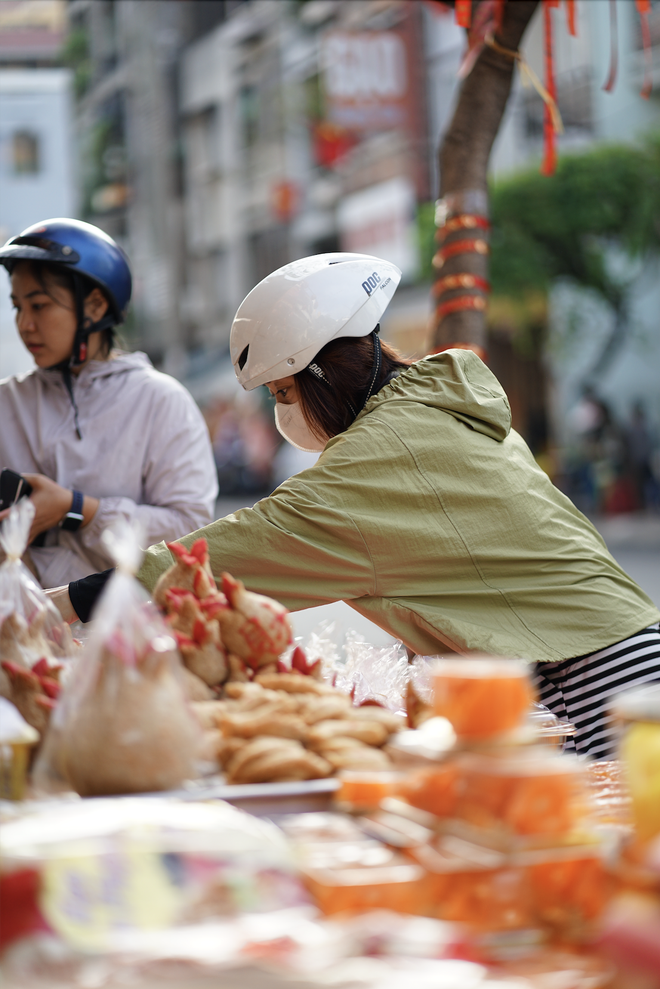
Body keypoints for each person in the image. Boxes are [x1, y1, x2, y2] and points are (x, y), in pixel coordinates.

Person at [51, 252, 660, 760]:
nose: (281, 412)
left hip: (591, 683)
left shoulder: (380, 461)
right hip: (621, 653)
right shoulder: (437, 408)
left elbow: (221, 559)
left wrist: (63, 605)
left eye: (283, 392)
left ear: (322, 376)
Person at [0, 217, 218, 587]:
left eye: (39, 306)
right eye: (18, 307)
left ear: (96, 306)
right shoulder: (7, 402)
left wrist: (78, 509)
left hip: (132, 633)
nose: (25, 325)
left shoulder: (161, 401)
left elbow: (192, 532)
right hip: (22, 633)